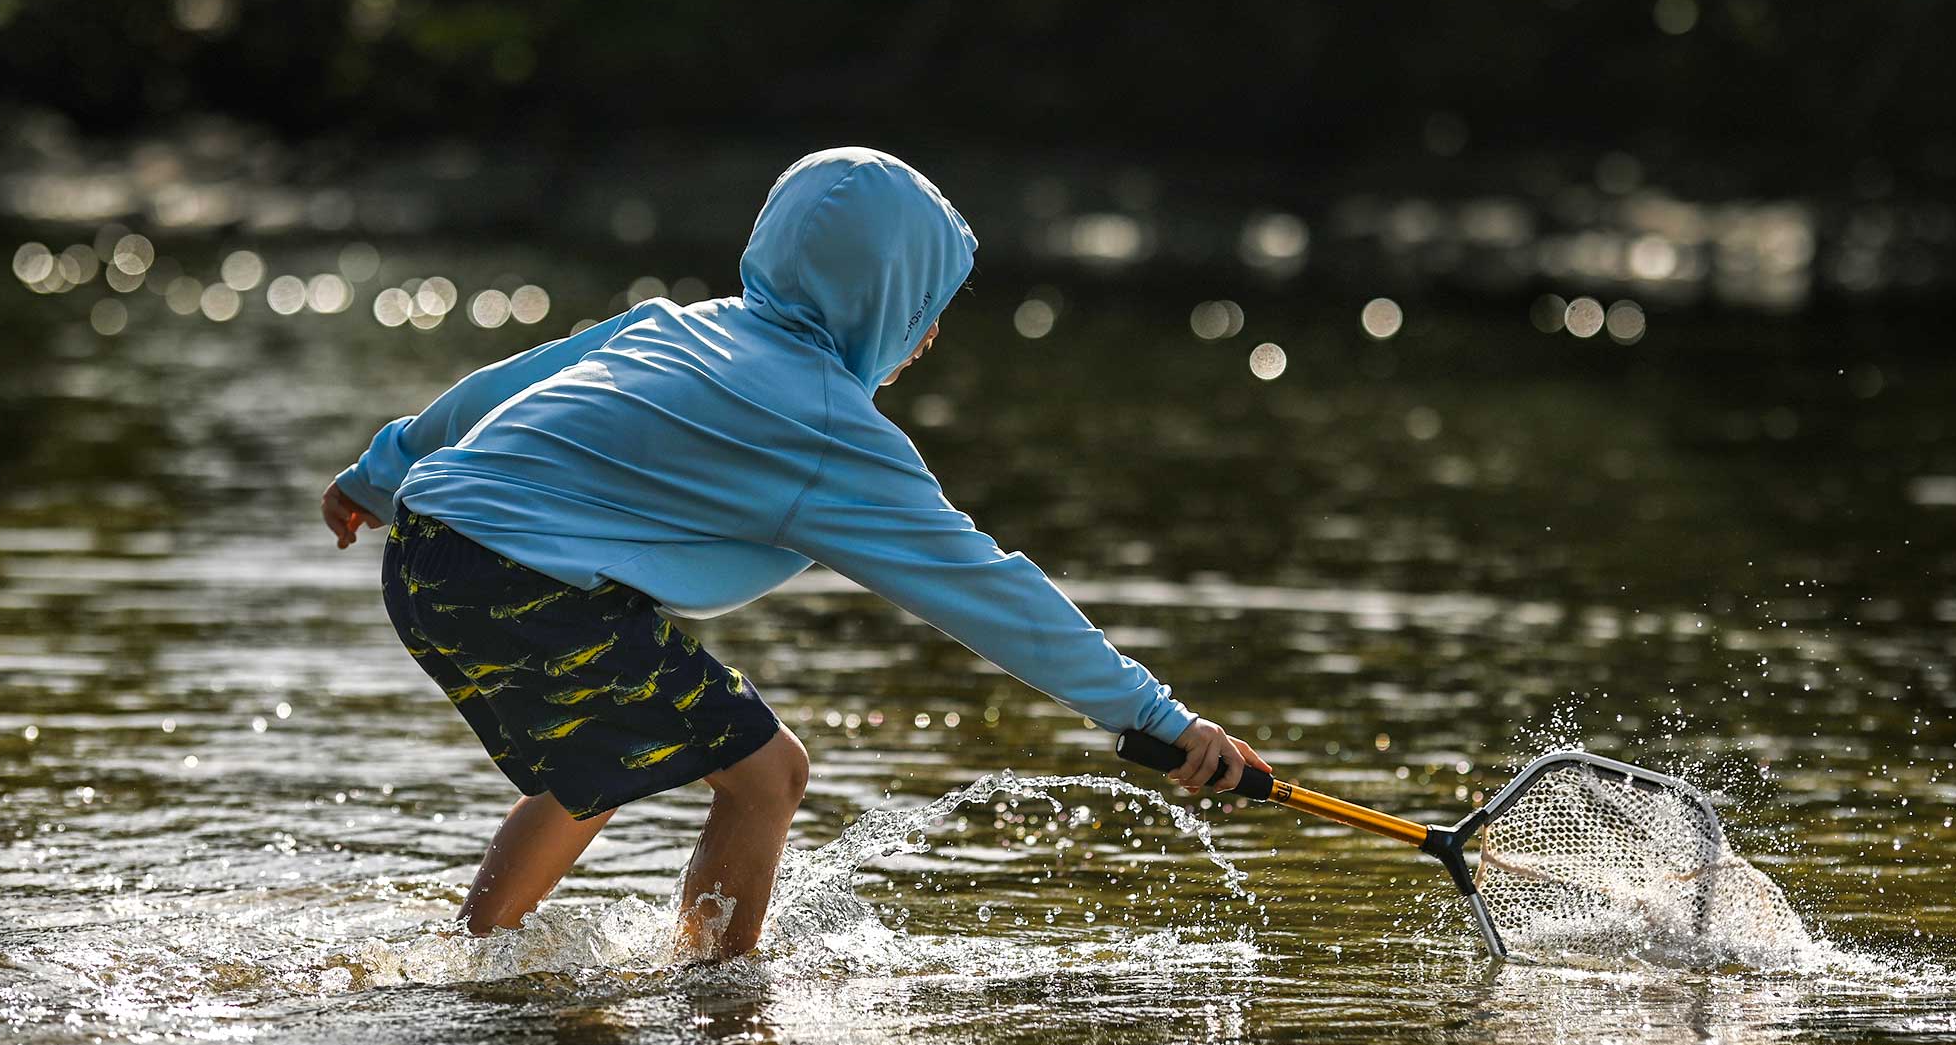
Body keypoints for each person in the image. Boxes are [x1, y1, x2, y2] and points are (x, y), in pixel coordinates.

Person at [321, 147, 1260, 958]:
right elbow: (988, 591)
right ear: (882, 304)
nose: (929, 333)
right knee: (770, 774)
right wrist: (1160, 720)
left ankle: (476, 960)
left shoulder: (681, 324)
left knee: (594, 762)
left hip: (428, 548)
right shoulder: (826, 428)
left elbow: (506, 382)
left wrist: (380, 470)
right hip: (522, 582)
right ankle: (718, 1002)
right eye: (923, 306)